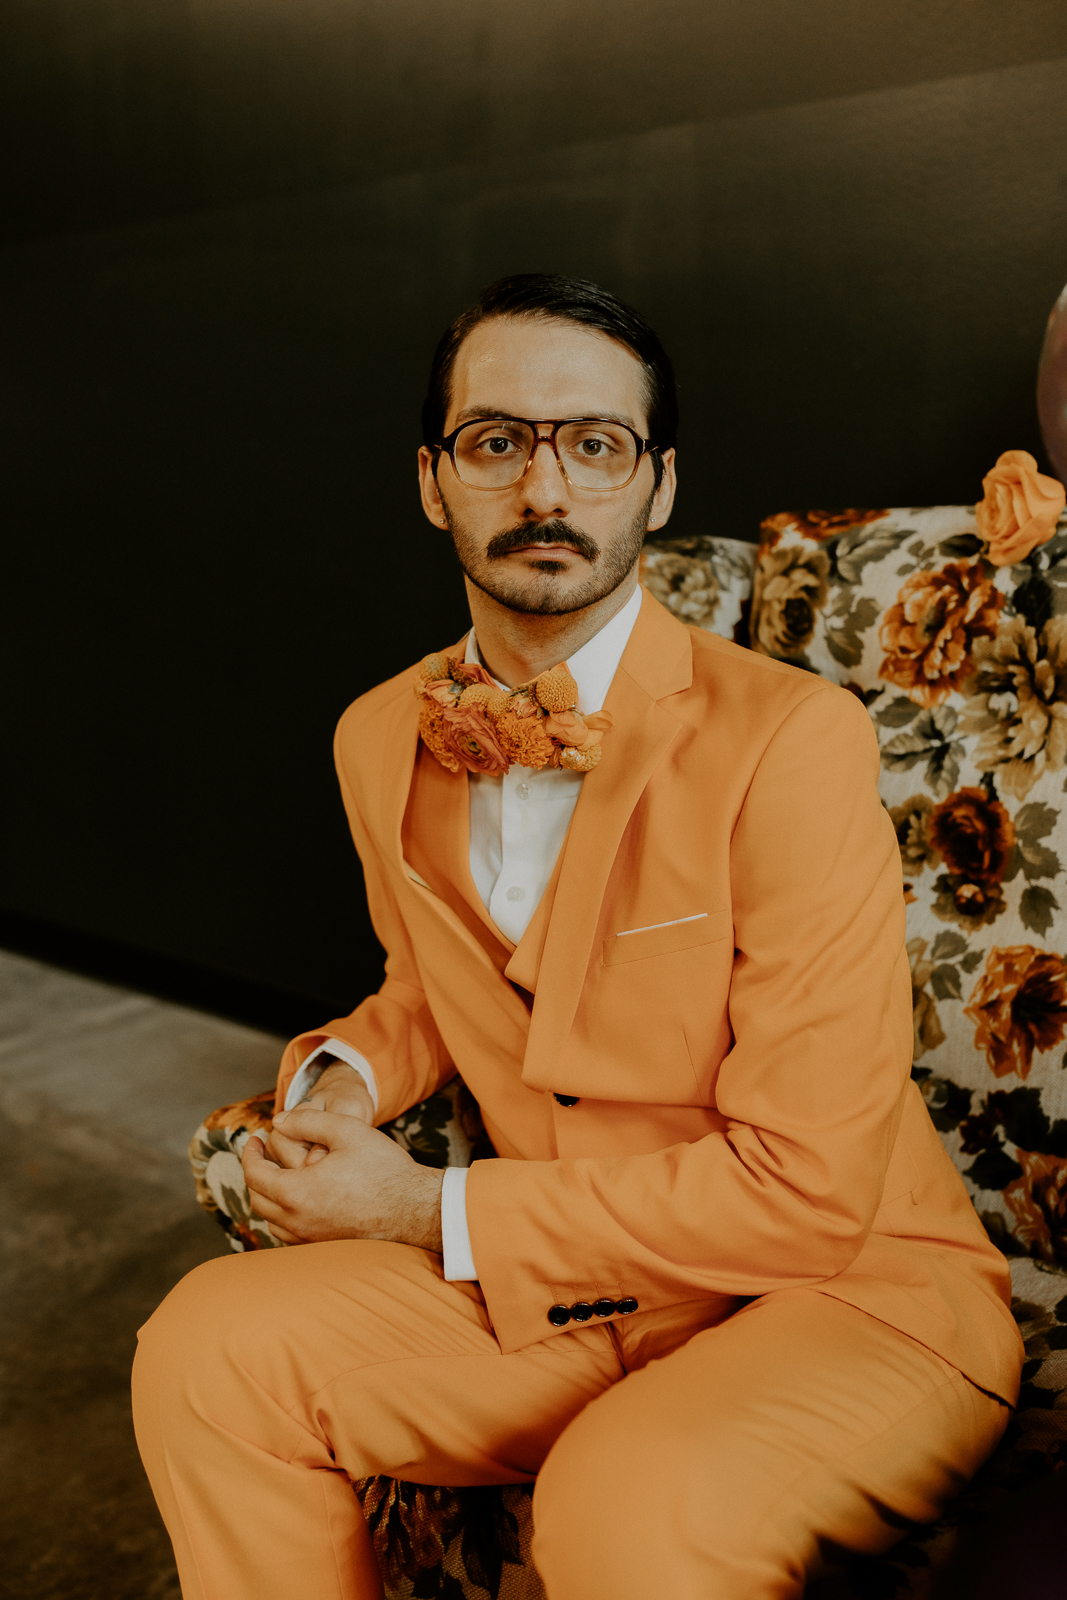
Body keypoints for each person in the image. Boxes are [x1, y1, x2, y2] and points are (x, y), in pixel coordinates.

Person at [132, 274, 1023, 1600]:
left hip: (850, 1289)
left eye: (596, 444)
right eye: (497, 441)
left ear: (656, 486)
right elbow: (435, 987)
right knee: (202, 1352)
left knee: (628, 1502)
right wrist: (343, 1083)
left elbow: (811, 1190)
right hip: (570, 1295)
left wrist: (422, 1208)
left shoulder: (791, 740)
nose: (545, 489)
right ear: (433, 481)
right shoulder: (377, 733)